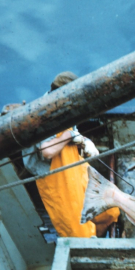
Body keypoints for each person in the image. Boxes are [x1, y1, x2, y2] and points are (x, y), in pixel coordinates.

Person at [23, 71, 120, 238]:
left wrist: (83, 142)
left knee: (109, 211)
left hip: (74, 165)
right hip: (56, 175)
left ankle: (95, 238)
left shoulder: (65, 106)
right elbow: (47, 151)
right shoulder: (43, 114)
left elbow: (71, 132)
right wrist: (70, 136)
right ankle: (88, 246)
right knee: (78, 233)